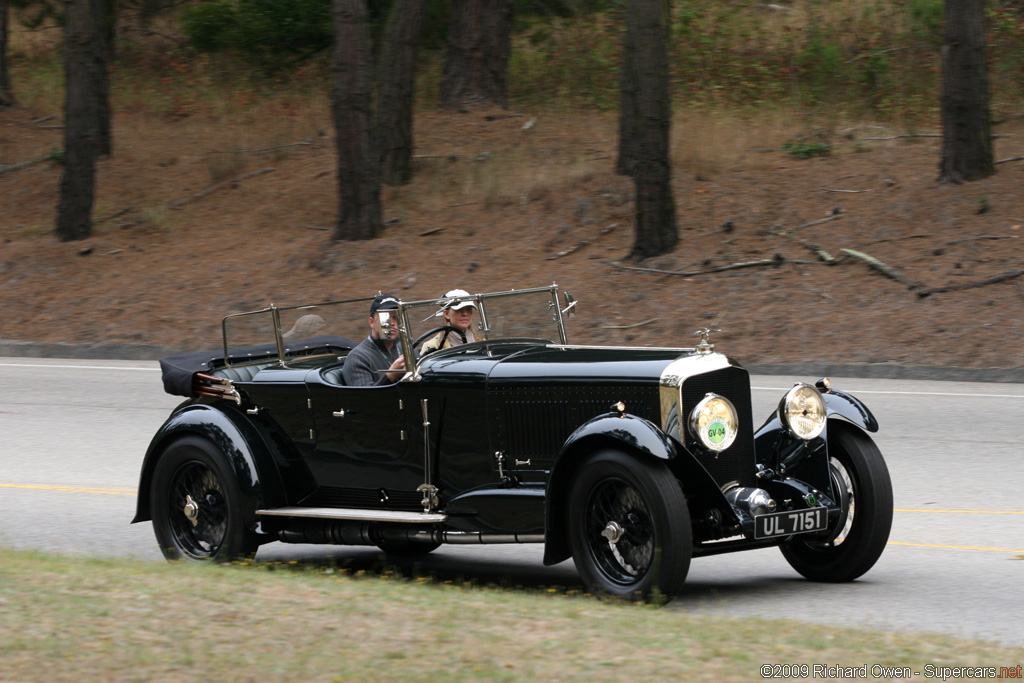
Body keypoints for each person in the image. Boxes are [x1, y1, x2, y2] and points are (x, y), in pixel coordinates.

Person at [342, 294, 407, 386]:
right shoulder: (357, 358)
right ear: (372, 322)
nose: (392, 323)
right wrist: (390, 376)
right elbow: (365, 398)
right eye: (385, 317)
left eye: (396, 317)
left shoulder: (407, 348)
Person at [419, 289, 478, 355]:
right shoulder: (433, 347)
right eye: (459, 309)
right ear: (446, 314)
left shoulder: (482, 343)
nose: (465, 313)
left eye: (469, 308)